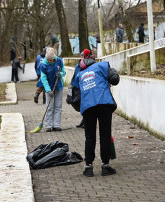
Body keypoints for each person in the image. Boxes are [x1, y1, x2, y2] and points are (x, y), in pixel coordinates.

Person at [74, 49, 120, 177]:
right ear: (93, 58)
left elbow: (75, 93)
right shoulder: (102, 65)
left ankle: (88, 167)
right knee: (105, 134)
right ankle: (105, 166)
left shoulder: (79, 74)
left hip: (88, 106)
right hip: (104, 103)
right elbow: (114, 79)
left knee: (90, 136)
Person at [39, 47, 66, 132]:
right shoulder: (43, 64)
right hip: (49, 88)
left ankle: (56, 125)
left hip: (58, 86)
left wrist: (60, 74)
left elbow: (64, 71)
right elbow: (43, 78)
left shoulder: (59, 61)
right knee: (49, 106)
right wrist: (48, 90)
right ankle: (48, 125)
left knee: (58, 106)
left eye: (51, 60)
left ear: (54, 57)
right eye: (48, 60)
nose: (50, 61)